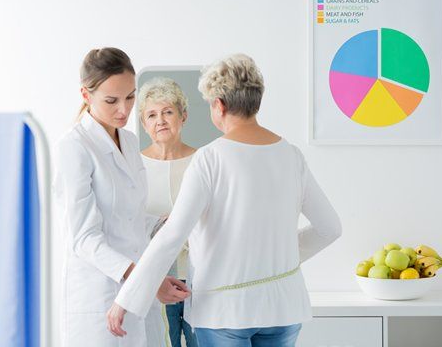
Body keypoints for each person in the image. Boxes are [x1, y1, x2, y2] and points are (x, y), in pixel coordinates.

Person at [107, 54, 342, 346]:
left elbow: (172, 235)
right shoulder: (291, 155)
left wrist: (126, 298)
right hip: (285, 309)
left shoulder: (210, 158)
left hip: (224, 313)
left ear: (219, 105)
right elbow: (330, 228)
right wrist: (276, 259)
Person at [54, 47, 190, 347]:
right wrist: (146, 280)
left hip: (138, 296)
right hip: (100, 296)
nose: (124, 110)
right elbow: (84, 237)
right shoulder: (74, 147)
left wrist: (166, 223)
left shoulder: (128, 140)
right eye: (111, 100)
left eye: (130, 97)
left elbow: (129, 216)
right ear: (86, 95)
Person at [138, 78, 198, 347]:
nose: (160, 120)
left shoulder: (203, 160)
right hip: (156, 277)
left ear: (183, 116)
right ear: (144, 123)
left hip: (200, 275)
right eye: (152, 114)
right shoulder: (134, 165)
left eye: (168, 112)